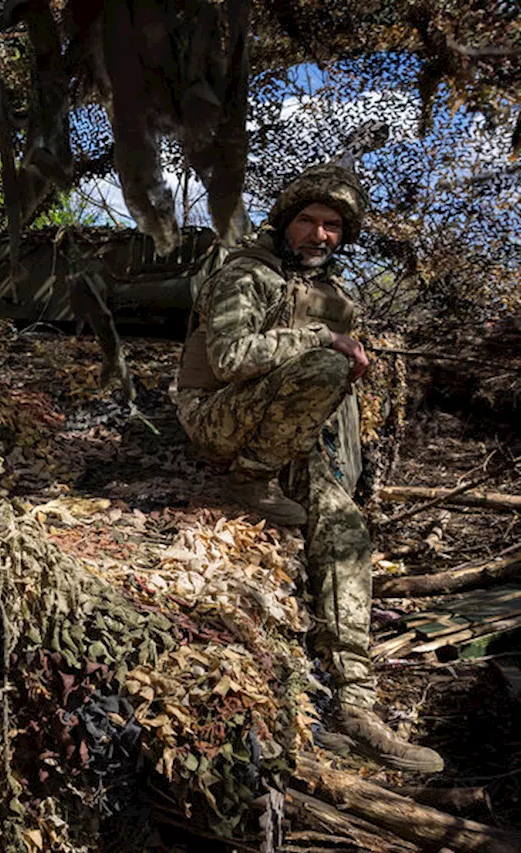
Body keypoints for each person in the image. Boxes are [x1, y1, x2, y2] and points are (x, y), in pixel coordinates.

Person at [173, 163, 444, 774]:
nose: (320, 235)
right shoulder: (246, 275)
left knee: (344, 529)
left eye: (332, 226)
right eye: (308, 220)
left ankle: (353, 702)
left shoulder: (332, 294)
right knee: (326, 365)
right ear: (285, 221)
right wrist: (320, 341)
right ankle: (248, 482)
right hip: (221, 422)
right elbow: (230, 357)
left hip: (289, 441)